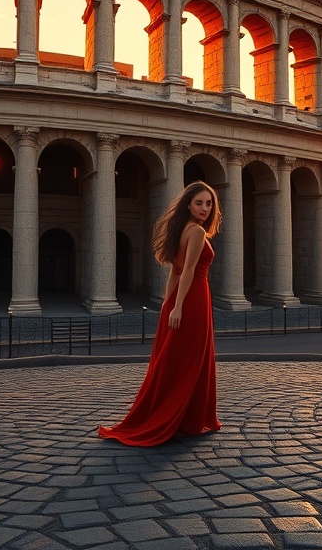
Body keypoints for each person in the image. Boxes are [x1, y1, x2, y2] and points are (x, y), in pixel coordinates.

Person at [98, 181, 222, 446]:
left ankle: (183, 416)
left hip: (182, 298)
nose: (204, 208)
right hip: (195, 297)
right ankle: (187, 419)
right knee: (192, 358)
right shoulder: (197, 232)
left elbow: (174, 273)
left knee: (178, 357)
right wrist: (176, 306)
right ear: (188, 204)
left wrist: (169, 302)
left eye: (209, 203)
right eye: (199, 202)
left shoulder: (182, 230)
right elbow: (186, 271)